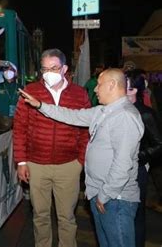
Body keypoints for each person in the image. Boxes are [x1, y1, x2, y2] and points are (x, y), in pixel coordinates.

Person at [19, 68, 145, 247]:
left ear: (112, 85)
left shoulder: (124, 116)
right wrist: (40, 105)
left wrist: (105, 195)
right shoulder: (103, 111)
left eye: (99, 85)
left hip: (115, 199)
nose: (95, 89)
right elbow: (70, 115)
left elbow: (123, 163)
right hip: (102, 195)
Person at [13, 48, 90, 247]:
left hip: (68, 165)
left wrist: (80, 162)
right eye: (45, 69)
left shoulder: (79, 94)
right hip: (36, 165)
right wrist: (21, 161)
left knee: (67, 217)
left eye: (54, 68)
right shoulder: (31, 91)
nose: (49, 73)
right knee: (40, 215)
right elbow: (19, 128)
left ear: (64, 68)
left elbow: (86, 130)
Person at [125, 69, 162, 247]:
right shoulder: (116, 109)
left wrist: (138, 157)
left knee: (137, 214)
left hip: (137, 171)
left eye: (123, 84)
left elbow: (159, 144)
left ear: (133, 90)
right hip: (117, 171)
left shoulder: (145, 113)